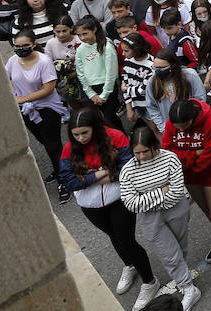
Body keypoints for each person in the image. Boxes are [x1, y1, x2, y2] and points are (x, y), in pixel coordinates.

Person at [61, 107, 159, 305]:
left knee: (126, 241)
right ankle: (129, 265)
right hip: (91, 206)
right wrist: (100, 174)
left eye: (84, 133)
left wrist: (86, 179)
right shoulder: (69, 149)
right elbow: (68, 181)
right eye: (75, 135)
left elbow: (128, 169)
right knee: (114, 237)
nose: (80, 138)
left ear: (95, 128)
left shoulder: (115, 136)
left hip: (120, 199)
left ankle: (150, 281)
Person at [119, 126, 201, 311]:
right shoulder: (127, 171)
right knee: (169, 254)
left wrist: (147, 199)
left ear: (154, 146)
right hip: (150, 219)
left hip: (176, 210)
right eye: (136, 153)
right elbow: (130, 204)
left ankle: (182, 276)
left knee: (180, 247)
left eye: (145, 151)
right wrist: (161, 191)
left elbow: (176, 192)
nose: (141, 156)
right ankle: (188, 288)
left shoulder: (170, 158)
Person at [163, 98, 211, 279]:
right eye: (177, 127)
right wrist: (194, 154)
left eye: (184, 126)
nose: (181, 130)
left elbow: (210, 157)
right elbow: (168, 150)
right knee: (207, 211)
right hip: (190, 176)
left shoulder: (210, 122)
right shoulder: (172, 123)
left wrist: (185, 160)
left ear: (192, 118)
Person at [7, 30, 70, 203]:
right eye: (17, 46)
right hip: (26, 110)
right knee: (44, 142)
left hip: (47, 108)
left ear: (34, 44)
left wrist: (21, 98)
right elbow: (6, 79)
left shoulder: (44, 61)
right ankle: (62, 167)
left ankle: (64, 180)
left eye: (25, 46)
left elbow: (48, 88)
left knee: (53, 145)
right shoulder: (12, 61)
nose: (20, 49)